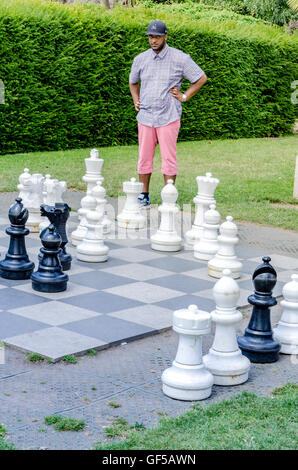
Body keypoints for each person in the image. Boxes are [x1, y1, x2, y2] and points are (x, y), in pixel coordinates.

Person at [129, 20, 207, 208]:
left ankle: (168, 197)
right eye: (150, 37)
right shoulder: (140, 59)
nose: (153, 40)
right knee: (144, 157)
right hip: (146, 117)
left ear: (165, 36)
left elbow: (201, 78)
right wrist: (135, 99)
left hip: (169, 116)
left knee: (169, 158)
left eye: (156, 37)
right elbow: (133, 82)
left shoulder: (180, 58)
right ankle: (144, 195)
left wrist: (184, 96)